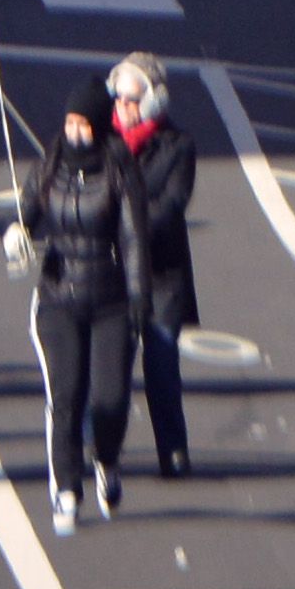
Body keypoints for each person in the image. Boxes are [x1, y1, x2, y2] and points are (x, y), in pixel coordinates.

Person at [18, 90, 142, 526]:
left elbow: (133, 240)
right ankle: (67, 488)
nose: (74, 132)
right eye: (69, 123)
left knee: (110, 401)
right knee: (65, 397)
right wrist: (17, 233)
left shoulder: (118, 167)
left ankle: (107, 460)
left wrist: (138, 300)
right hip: (58, 297)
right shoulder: (50, 163)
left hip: (110, 302)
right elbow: (27, 213)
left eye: (82, 124)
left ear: (98, 124)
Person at [103, 55, 210, 483]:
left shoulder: (178, 146)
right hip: (112, 272)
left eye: (131, 99)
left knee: (162, 366)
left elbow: (171, 206)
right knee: (111, 365)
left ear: (152, 101)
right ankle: (102, 449)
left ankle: (174, 449)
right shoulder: (103, 143)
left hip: (161, 273)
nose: (122, 107)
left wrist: (125, 223)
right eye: (118, 98)